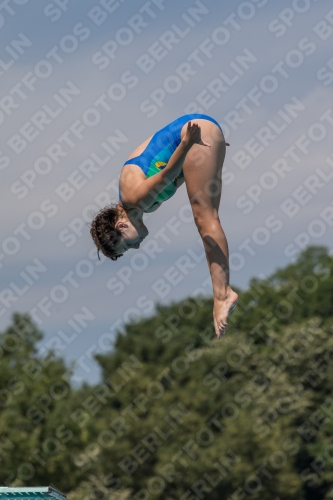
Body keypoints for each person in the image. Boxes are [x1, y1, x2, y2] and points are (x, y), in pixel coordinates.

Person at [90, 114, 238, 338]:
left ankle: (222, 294)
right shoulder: (143, 206)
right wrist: (209, 154)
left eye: (127, 245)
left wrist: (190, 142)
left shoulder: (136, 199)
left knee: (204, 218)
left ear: (121, 225)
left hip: (191, 135)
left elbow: (167, 174)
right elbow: (176, 172)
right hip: (196, 137)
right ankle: (223, 292)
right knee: (205, 215)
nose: (136, 247)